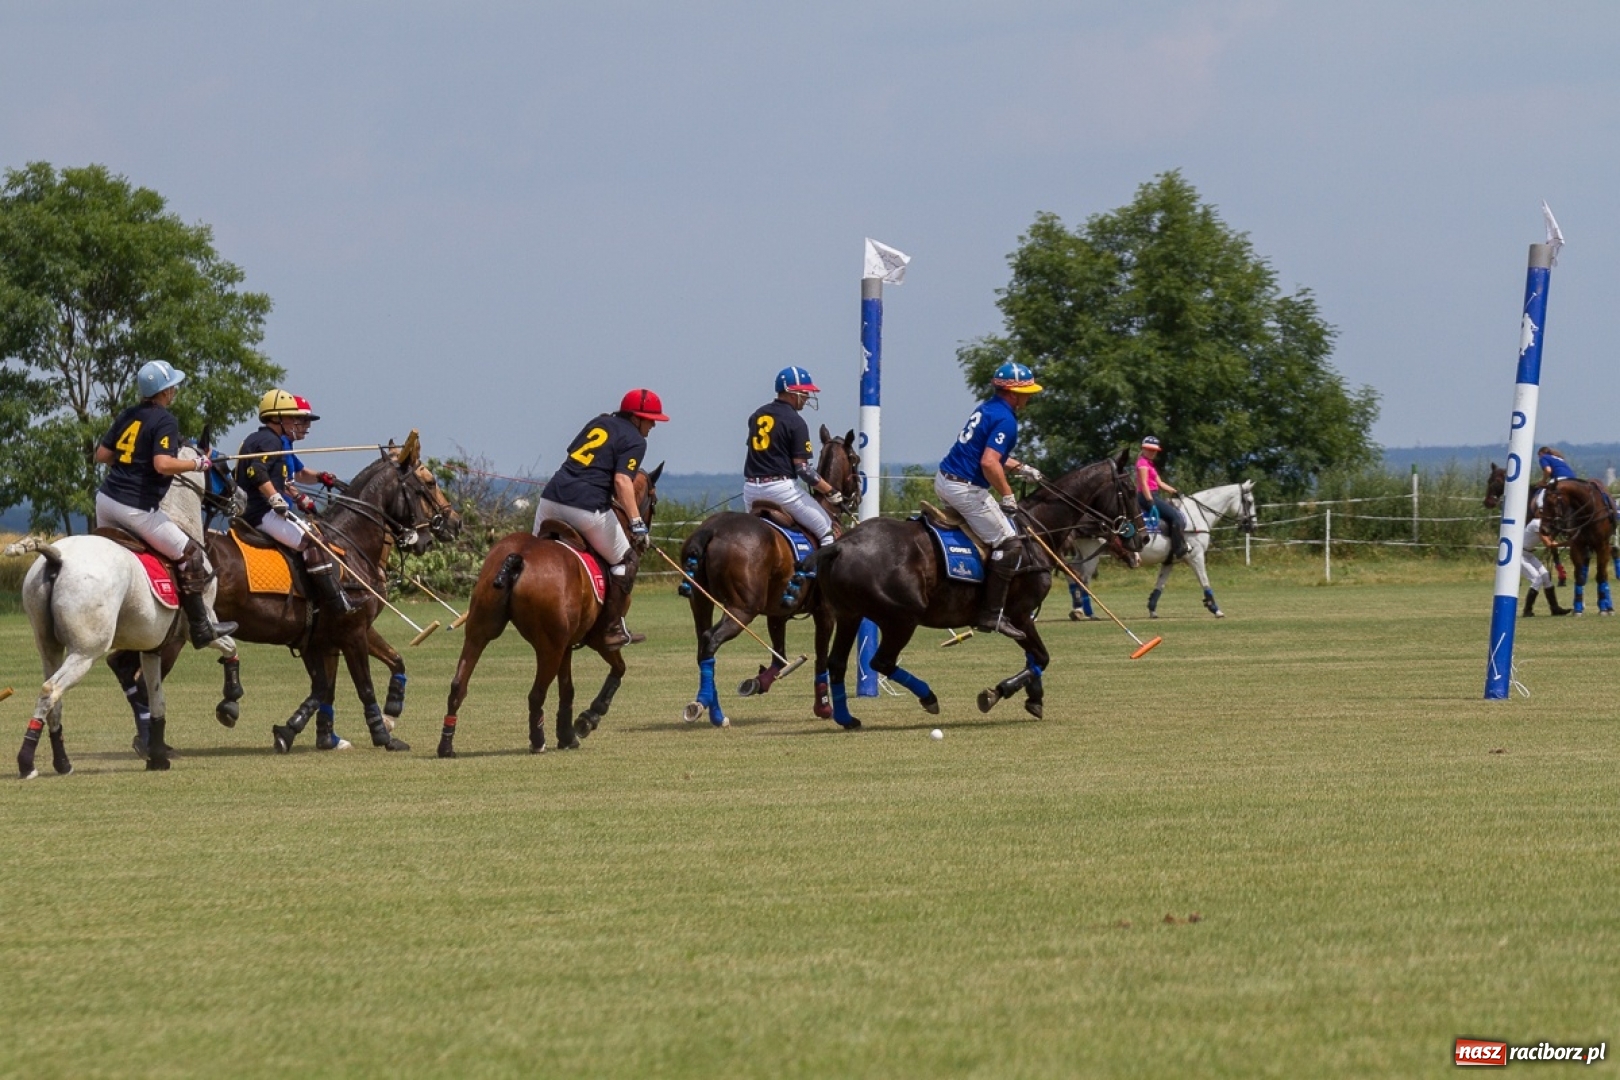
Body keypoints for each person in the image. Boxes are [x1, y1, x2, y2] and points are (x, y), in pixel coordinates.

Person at [94, 360, 238, 648]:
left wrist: (132, 460)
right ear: (164, 391)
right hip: (136, 508)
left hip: (106, 501)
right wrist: (196, 463)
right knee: (191, 554)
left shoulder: (128, 415)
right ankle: (200, 627)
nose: (175, 390)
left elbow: (102, 455)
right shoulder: (165, 420)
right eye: (172, 386)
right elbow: (162, 465)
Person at [535, 389, 668, 650]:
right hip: (585, 508)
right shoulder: (636, 441)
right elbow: (622, 481)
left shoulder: (599, 421)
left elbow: (575, 455)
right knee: (627, 560)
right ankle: (611, 629)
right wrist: (637, 523)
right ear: (635, 417)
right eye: (649, 419)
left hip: (550, 501)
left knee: (533, 556)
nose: (652, 425)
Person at [934, 361, 1045, 641]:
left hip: (945, 480)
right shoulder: (1006, 419)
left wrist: (1021, 468)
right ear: (1012, 393)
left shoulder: (987, 408)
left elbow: (989, 454)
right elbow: (988, 462)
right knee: (1009, 543)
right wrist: (1008, 495)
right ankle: (991, 613)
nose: (1029, 397)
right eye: (1026, 392)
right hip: (966, 489)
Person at [235, 389, 357, 616]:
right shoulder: (269, 440)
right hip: (260, 513)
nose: (295, 422)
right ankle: (332, 602)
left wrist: (319, 477)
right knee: (313, 542)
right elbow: (256, 470)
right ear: (276, 418)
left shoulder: (267, 440)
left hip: (260, 511)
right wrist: (275, 497)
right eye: (291, 417)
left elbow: (292, 475)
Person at [742, 366, 842, 546]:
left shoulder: (756, 415)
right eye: (804, 393)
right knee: (827, 530)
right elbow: (803, 469)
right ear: (791, 392)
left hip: (750, 491)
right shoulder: (796, 422)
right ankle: (821, 572)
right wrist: (830, 491)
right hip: (781, 490)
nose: (806, 398)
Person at [1136, 436, 1189, 560]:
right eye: (1149, 449)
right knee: (1175, 516)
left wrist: (1174, 491)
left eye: (1154, 450)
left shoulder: (1150, 464)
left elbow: (1160, 483)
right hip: (1146, 496)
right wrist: (1150, 501)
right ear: (1143, 449)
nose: (1152, 452)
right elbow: (1143, 484)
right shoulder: (1142, 463)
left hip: (1153, 494)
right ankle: (1178, 548)